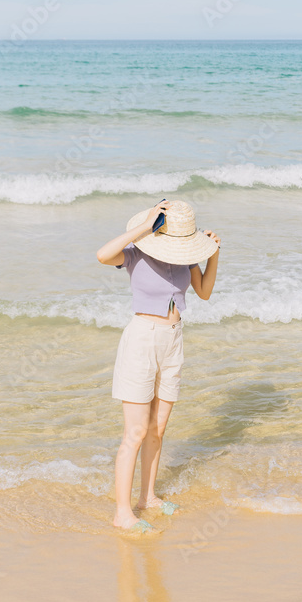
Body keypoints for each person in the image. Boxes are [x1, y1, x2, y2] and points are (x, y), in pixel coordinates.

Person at [96, 199, 220, 531]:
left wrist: (213, 255)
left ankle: (147, 498)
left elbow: (204, 292)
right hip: (142, 340)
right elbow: (103, 255)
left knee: (157, 429)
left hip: (173, 339)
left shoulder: (184, 257)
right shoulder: (135, 254)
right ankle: (122, 513)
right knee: (134, 432)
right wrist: (145, 227)